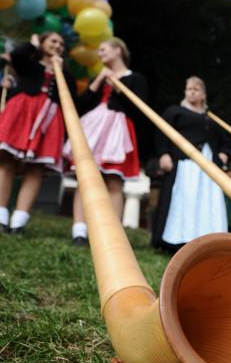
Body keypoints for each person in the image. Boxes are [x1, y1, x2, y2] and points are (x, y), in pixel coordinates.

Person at [64, 38, 148, 245]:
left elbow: (139, 109)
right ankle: (80, 232)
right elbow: (80, 105)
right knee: (86, 179)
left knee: (113, 182)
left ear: (117, 50)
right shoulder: (99, 77)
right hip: (94, 128)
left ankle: (111, 235)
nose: (100, 54)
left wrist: (118, 87)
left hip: (118, 131)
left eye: (103, 50)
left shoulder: (135, 78)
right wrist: (100, 79)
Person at [0, 33, 76, 233]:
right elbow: (17, 55)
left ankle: (19, 220)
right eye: (53, 41)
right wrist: (31, 45)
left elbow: (72, 98)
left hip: (51, 120)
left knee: (36, 169)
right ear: (42, 43)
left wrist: (59, 68)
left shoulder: (65, 72)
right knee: (7, 161)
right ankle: (0, 215)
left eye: (61, 43)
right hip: (22, 112)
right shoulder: (29, 63)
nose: (58, 45)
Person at [151, 76, 229, 252]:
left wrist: (223, 154)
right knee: (183, 199)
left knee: (206, 202)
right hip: (184, 165)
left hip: (208, 170)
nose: (191, 92)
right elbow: (162, 133)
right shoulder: (175, 112)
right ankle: (175, 241)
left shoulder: (212, 118)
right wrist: (164, 154)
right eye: (188, 89)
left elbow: (224, 141)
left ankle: (206, 242)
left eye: (195, 89)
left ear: (203, 94)